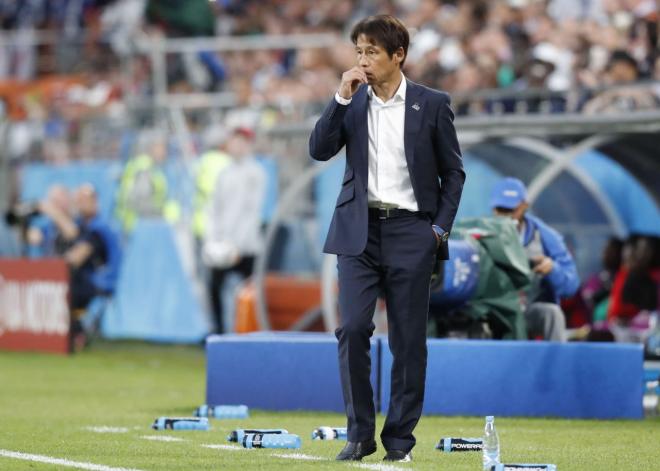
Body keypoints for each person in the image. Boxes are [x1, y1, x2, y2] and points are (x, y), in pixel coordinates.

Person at [309, 15, 465, 463]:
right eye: (358, 51)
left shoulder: (432, 103)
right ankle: (359, 435)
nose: (363, 60)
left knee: (408, 340)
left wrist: (437, 230)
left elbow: (453, 172)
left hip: (412, 232)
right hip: (357, 232)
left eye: (372, 51)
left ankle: (398, 441)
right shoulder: (351, 102)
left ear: (399, 55)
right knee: (353, 328)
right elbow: (319, 149)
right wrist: (339, 98)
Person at [490, 177, 579, 342]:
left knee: (552, 314)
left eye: (512, 210)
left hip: (527, 310)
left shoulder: (544, 236)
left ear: (524, 206)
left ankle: (558, 365)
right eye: (502, 210)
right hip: (492, 311)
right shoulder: (483, 233)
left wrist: (552, 269)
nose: (507, 217)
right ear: (494, 209)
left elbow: (571, 285)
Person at [202, 127, 266, 334]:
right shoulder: (225, 173)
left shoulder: (255, 173)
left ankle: (250, 331)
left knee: (250, 292)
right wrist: (213, 240)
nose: (236, 146)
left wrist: (238, 245)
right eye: (233, 141)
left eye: (241, 141)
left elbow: (252, 213)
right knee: (214, 287)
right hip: (224, 245)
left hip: (247, 248)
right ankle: (218, 331)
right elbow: (216, 209)